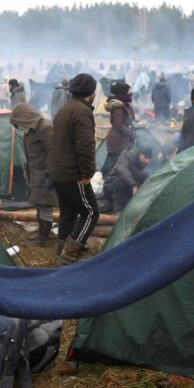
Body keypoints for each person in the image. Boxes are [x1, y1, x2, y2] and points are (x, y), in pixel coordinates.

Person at [50, 73, 100, 265]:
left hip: (58, 172)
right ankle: (68, 256)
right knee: (91, 213)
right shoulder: (82, 112)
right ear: (90, 92)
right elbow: (85, 146)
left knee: (68, 213)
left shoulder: (64, 109)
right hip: (72, 174)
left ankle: (60, 251)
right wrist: (87, 173)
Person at [10, 104, 58, 246]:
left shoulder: (45, 128)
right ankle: (42, 234)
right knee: (40, 205)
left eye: (17, 123)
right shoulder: (31, 130)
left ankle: (43, 239)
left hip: (44, 175)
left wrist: (49, 174)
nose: (18, 127)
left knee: (45, 207)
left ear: (25, 118)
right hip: (36, 174)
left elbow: (52, 152)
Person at [102, 146, 151, 212]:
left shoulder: (140, 163)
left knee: (143, 180)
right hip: (110, 187)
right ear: (140, 154)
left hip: (124, 191)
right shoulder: (128, 156)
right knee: (123, 180)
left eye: (149, 159)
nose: (147, 161)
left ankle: (128, 209)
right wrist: (133, 185)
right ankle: (117, 210)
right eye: (146, 157)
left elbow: (138, 175)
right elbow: (122, 169)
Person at [101, 99, 136, 176]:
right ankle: (102, 176)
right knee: (113, 160)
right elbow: (119, 124)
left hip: (117, 139)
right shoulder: (119, 109)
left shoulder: (119, 109)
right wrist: (130, 132)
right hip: (118, 140)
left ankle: (104, 176)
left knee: (114, 159)